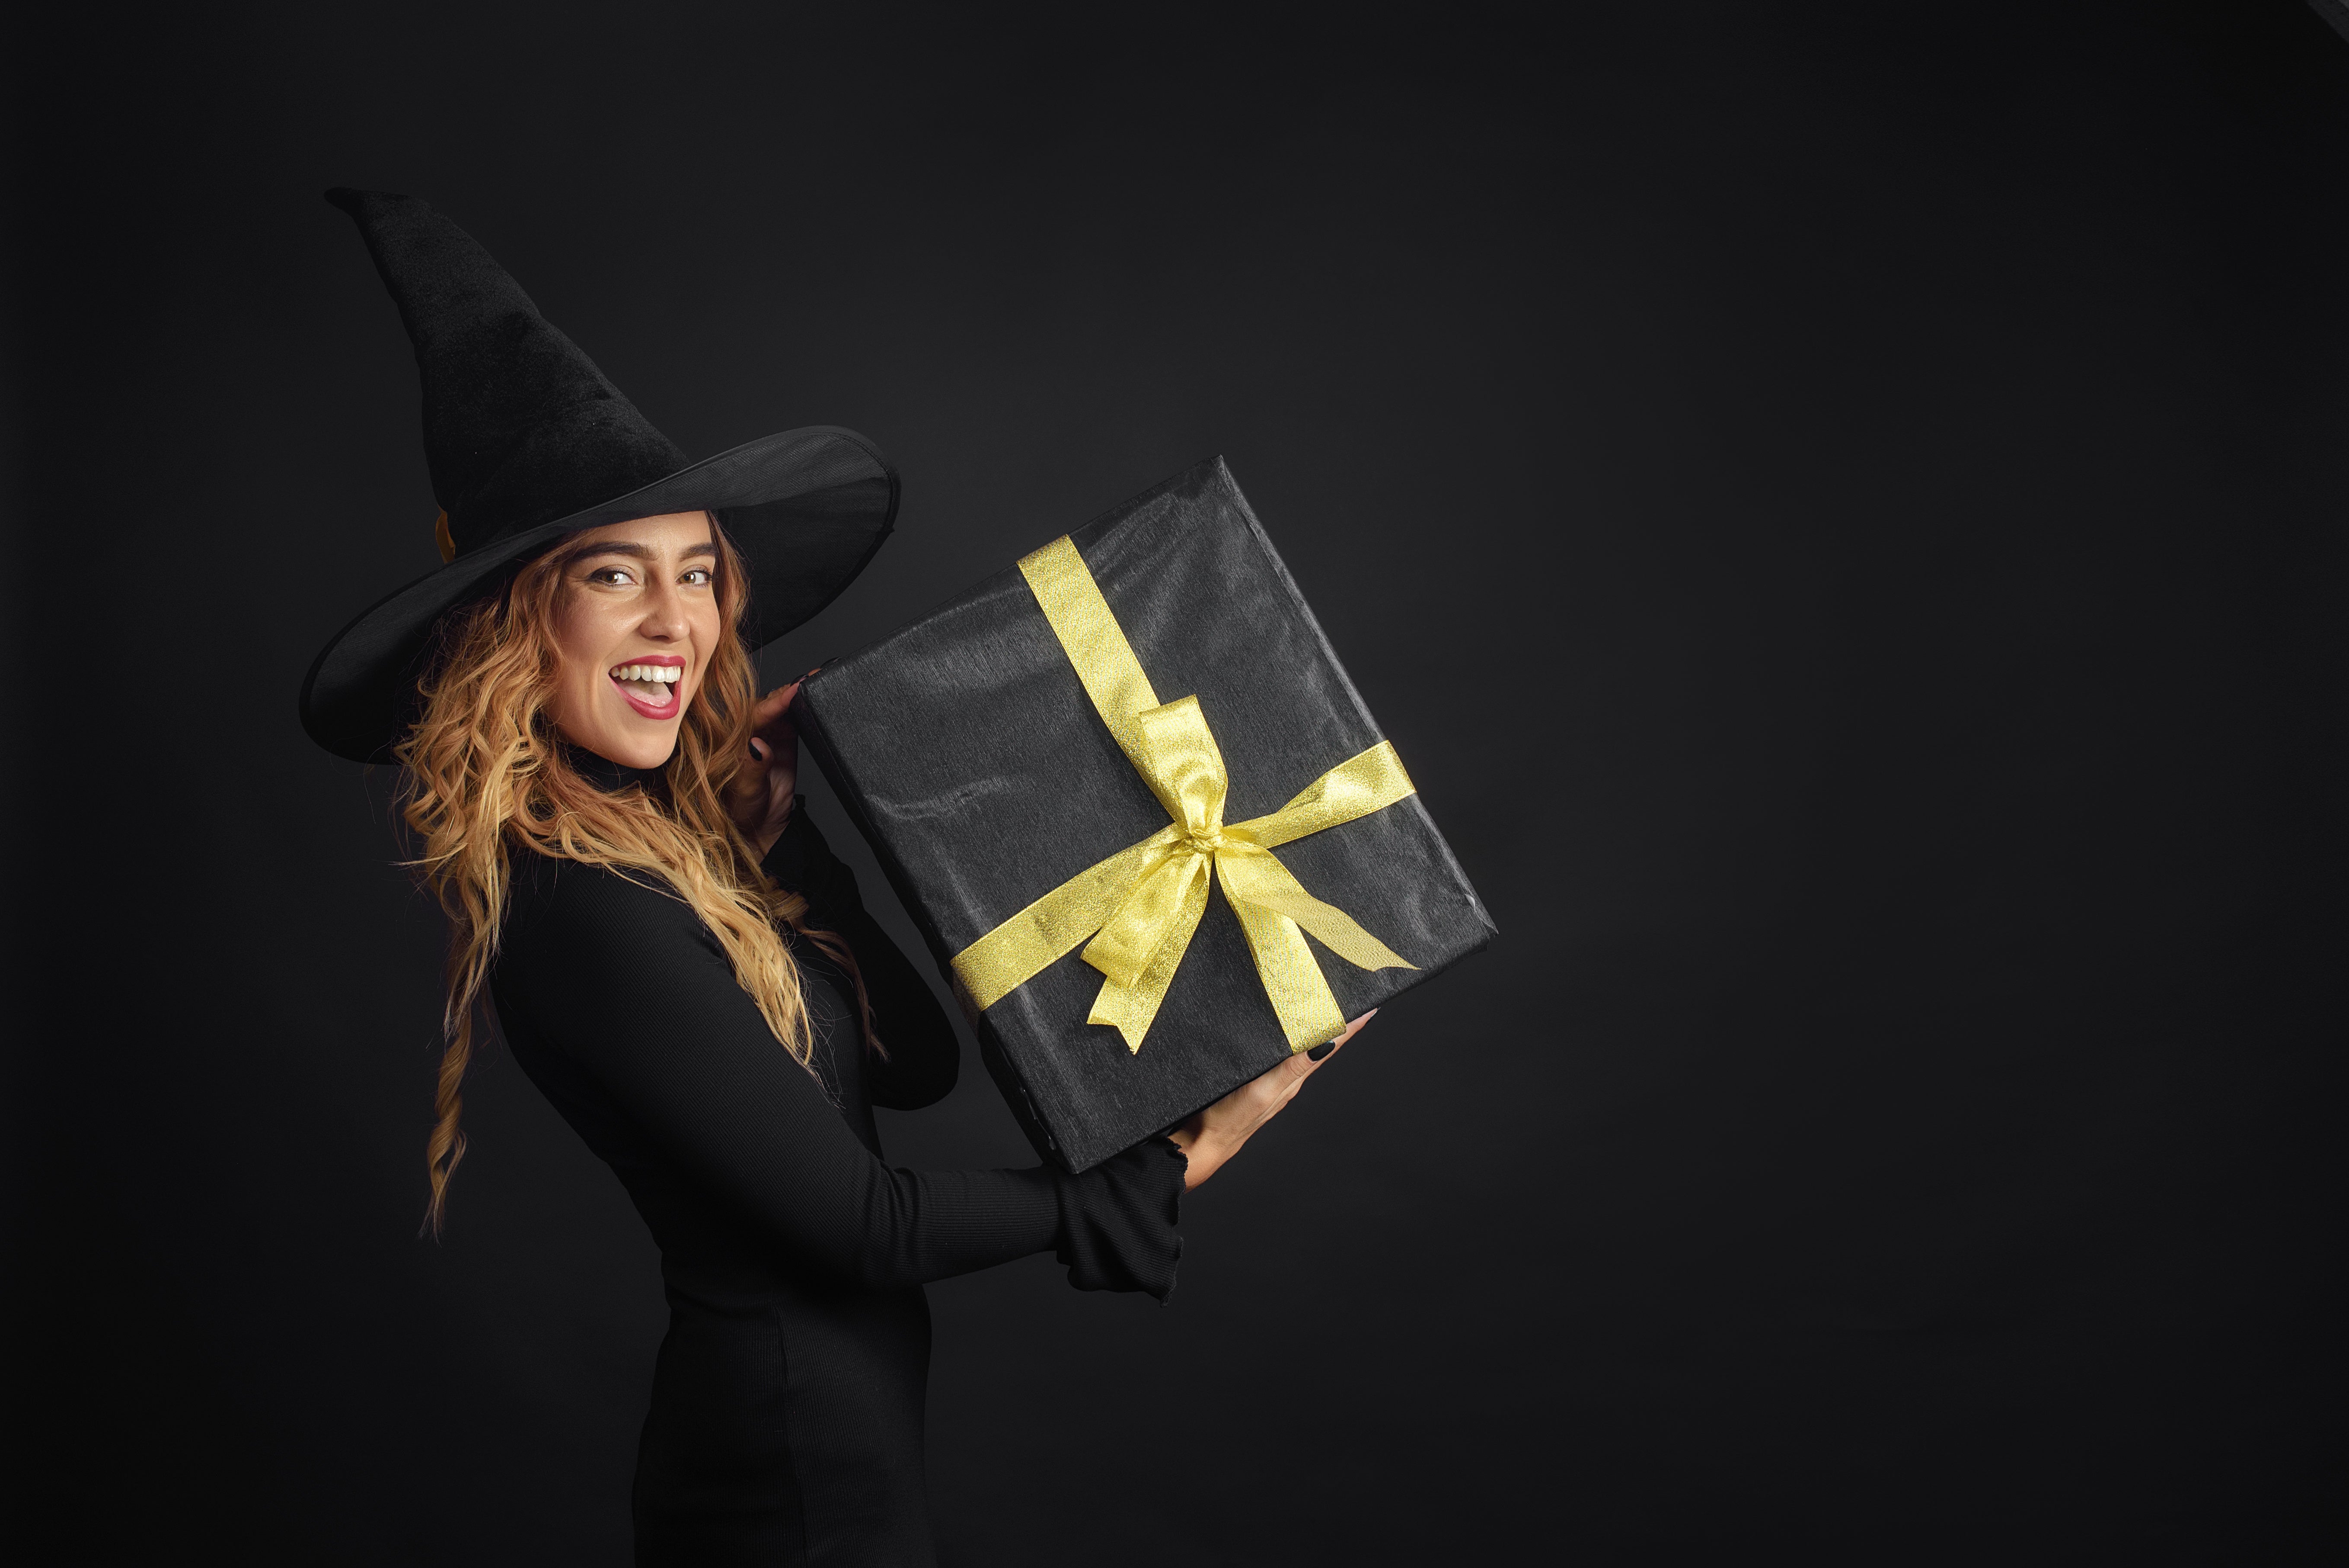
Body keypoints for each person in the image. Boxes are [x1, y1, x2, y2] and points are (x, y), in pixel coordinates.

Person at [302, 190, 1367, 1566]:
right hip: (779, 1488)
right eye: (614, 575)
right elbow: (863, 1223)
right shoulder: (578, 903)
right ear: (517, 623)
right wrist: (1154, 1172)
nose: (676, 621)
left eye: (698, 573)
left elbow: (911, 1065)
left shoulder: (672, 860)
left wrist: (785, 844)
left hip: (833, 1464)